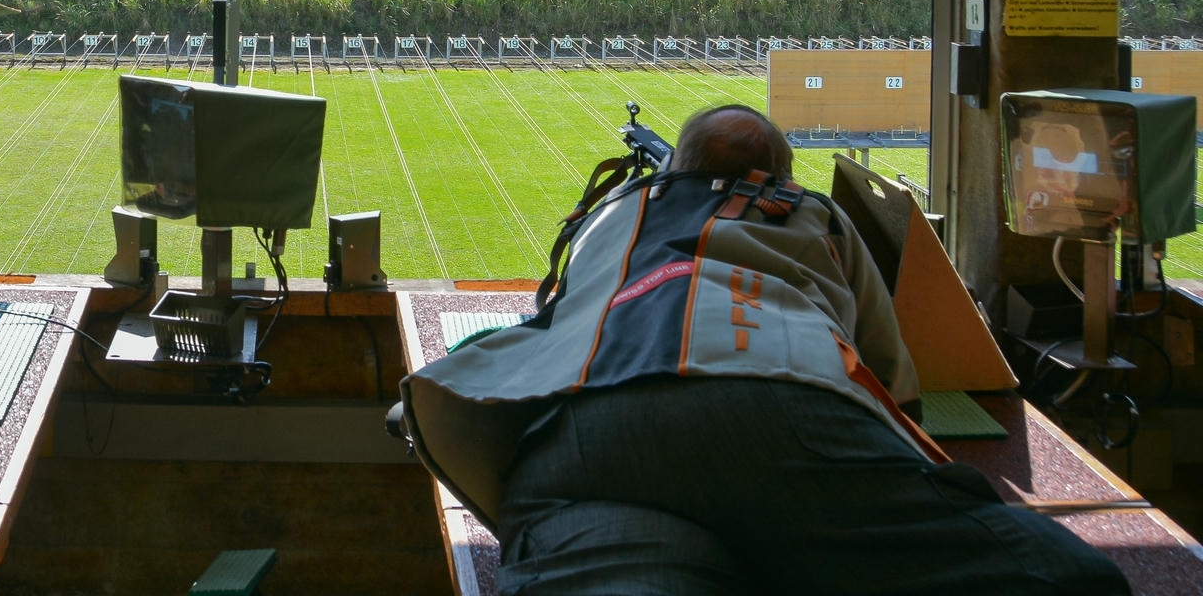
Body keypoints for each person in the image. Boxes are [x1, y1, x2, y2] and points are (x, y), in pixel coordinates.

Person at [400, 104, 1130, 596]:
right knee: (1065, 577)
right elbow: (892, 380)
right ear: (781, 174)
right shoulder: (814, 211)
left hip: (589, 437)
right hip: (785, 411)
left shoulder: (613, 212)